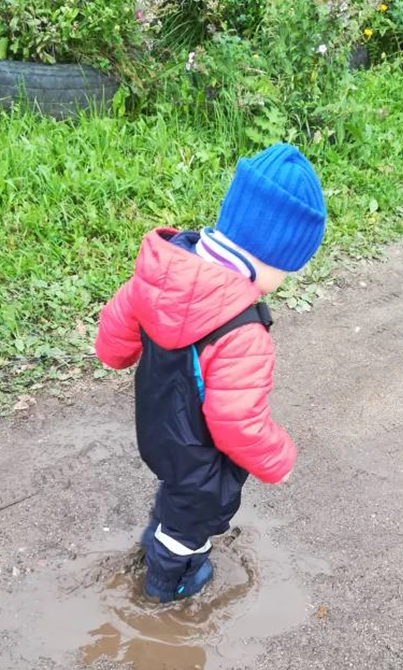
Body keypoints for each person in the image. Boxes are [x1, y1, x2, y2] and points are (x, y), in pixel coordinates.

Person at [95, 142, 326, 602]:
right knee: (196, 516)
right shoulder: (242, 331)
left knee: (178, 491)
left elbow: (112, 343)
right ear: (276, 258)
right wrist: (277, 458)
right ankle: (167, 584)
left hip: (157, 427)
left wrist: (125, 352)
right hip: (202, 453)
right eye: (287, 271)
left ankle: (159, 534)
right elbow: (236, 423)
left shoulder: (163, 273)